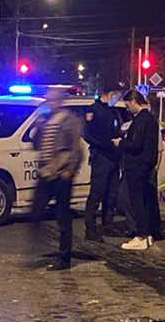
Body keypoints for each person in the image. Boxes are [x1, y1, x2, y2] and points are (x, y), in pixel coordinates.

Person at [29, 101, 84, 270]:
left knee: (62, 215)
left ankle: (64, 257)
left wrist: (70, 169)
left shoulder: (68, 120)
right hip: (46, 172)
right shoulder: (45, 120)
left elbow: (76, 147)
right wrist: (38, 127)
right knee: (36, 210)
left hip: (61, 173)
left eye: (52, 98)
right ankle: (39, 244)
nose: (49, 102)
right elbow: (37, 144)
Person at [119, 88, 162, 250]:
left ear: (134, 102)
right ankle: (147, 234)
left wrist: (121, 143)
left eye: (127, 105)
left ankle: (142, 236)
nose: (127, 109)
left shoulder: (141, 120)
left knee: (137, 202)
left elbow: (136, 144)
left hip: (137, 166)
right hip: (145, 165)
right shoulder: (150, 119)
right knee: (144, 201)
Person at [82, 93, 122, 239]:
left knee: (111, 193)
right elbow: (86, 134)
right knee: (97, 193)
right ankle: (90, 228)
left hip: (114, 157)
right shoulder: (93, 110)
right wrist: (103, 144)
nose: (118, 98)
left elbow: (116, 129)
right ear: (110, 94)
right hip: (101, 157)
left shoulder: (113, 110)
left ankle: (108, 224)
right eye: (117, 94)